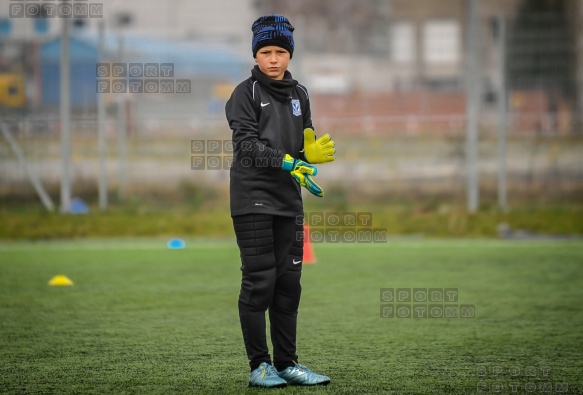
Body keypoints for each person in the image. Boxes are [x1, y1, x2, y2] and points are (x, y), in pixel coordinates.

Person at [225, 14, 336, 388]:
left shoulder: (300, 94)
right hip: (253, 200)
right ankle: (260, 366)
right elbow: (247, 145)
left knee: (289, 284)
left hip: (288, 202)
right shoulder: (245, 93)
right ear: (256, 55)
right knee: (260, 282)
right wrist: (287, 161)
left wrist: (307, 158)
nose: (273, 58)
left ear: (290, 54)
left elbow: (304, 141)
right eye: (266, 51)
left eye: (280, 51)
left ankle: (288, 364)